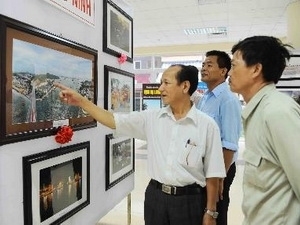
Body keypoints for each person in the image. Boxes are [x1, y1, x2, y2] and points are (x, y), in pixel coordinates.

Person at [55, 64, 226, 225]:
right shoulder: (152, 118)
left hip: (189, 201)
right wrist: (81, 102)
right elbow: (114, 120)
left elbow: (213, 174)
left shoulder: (207, 126)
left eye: (166, 83)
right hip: (156, 198)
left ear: (185, 86)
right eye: (161, 83)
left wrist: (210, 212)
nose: (160, 88)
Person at [228, 35, 300, 225]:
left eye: (234, 65)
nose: (229, 72)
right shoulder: (258, 111)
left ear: (256, 69)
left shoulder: (277, 112)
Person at [196, 50, 242, 225]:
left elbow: (229, 144)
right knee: (203, 212)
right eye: (203, 65)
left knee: (216, 213)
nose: (204, 68)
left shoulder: (228, 100)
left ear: (223, 71)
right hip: (203, 168)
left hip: (219, 170)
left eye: (209, 65)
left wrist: (219, 177)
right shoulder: (205, 98)